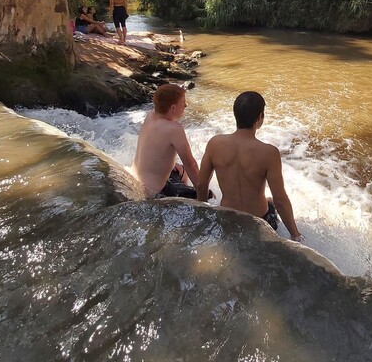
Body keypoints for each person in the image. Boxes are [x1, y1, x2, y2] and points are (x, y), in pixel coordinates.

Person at [197, 91, 303, 242]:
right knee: (272, 201)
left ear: (235, 114)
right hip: (258, 221)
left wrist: (203, 214)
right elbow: (280, 200)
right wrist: (296, 235)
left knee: (269, 200)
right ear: (260, 118)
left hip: (225, 219)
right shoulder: (269, 153)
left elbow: (201, 185)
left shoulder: (214, 144)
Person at [130, 83, 200, 198]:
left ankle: (182, 189)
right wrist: (202, 193)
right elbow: (191, 165)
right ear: (173, 107)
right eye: (183, 103)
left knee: (181, 170)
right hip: (154, 192)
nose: (186, 106)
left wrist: (171, 164)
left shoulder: (150, 115)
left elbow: (154, 148)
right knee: (207, 194)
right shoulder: (174, 129)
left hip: (135, 180)